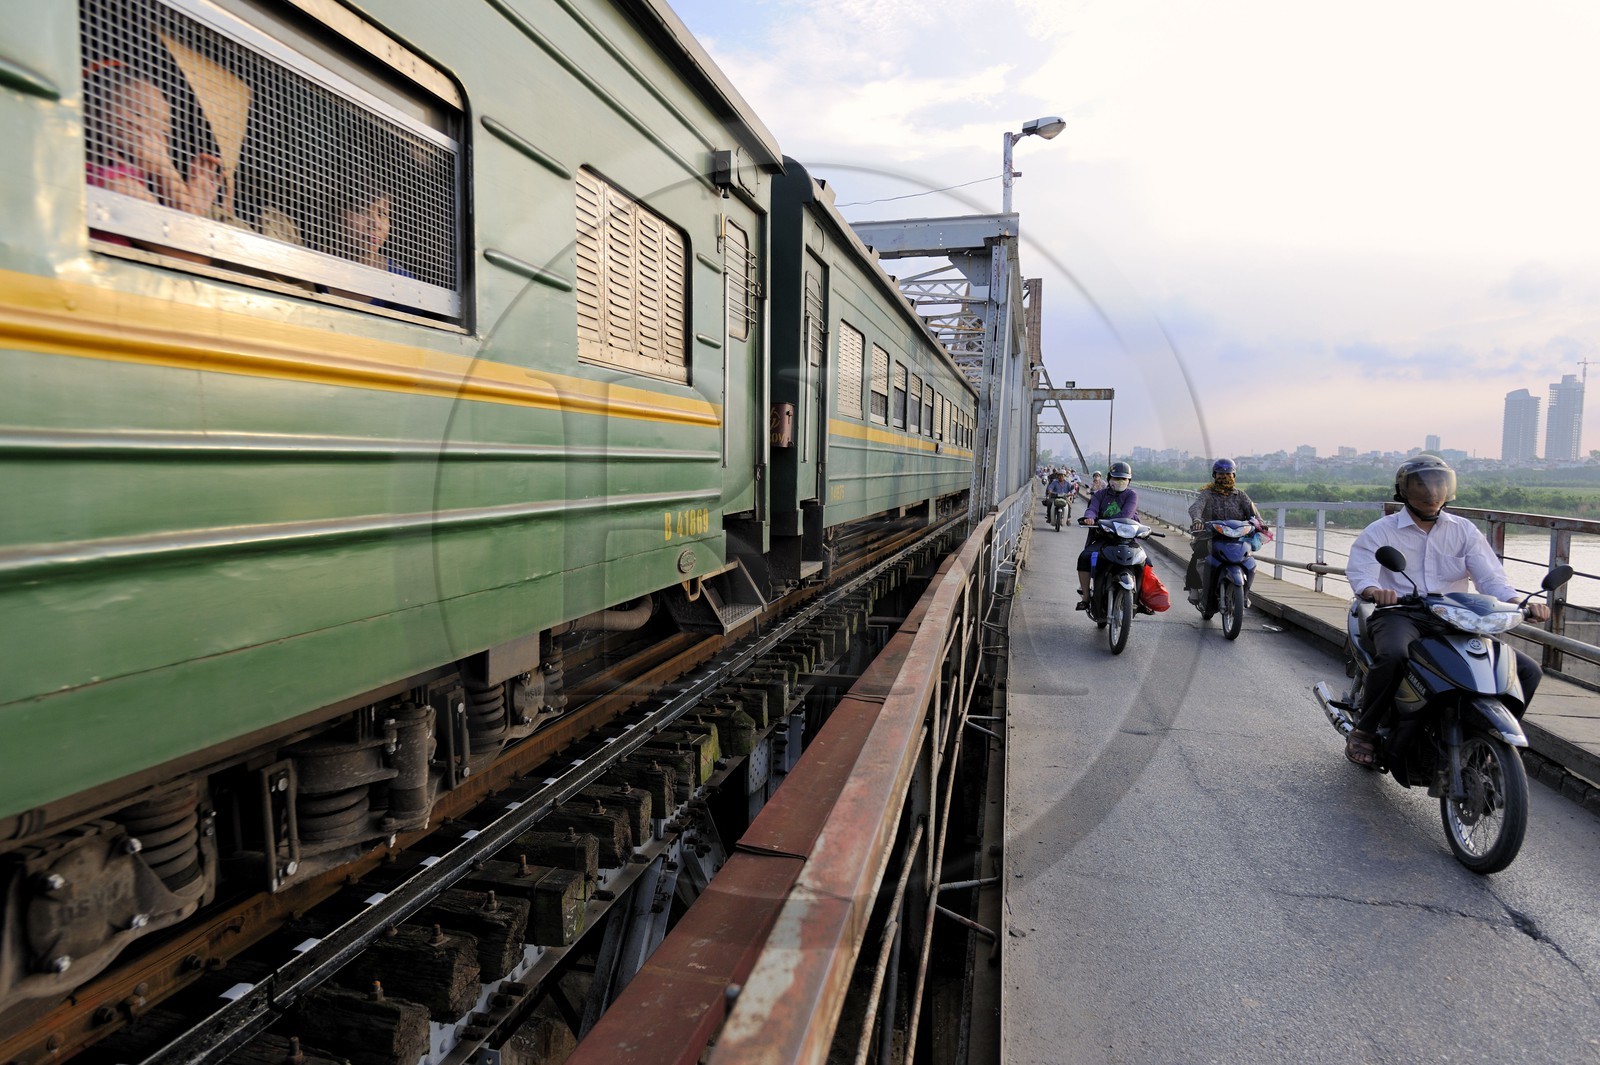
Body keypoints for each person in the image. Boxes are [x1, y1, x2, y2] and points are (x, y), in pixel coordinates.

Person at [1341, 454, 1549, 766]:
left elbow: (1490, 577)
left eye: (1439, 484)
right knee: (1395, 655)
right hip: (1400, 613)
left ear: (1449, 489)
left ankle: (1486, 740)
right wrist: (1374, 590)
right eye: (1422, 485)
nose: (1431, 492)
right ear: (1404, 490)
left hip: (1455, 617)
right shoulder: (1381, 531)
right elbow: (1362, 572)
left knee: (1527, 670)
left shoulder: (1464, 531)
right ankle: (1365, 731)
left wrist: (1518, 603)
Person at [84, 66, 225, 218]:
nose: (154, 135)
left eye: (164, 131)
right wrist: (164, 169)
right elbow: (178, 232)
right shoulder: (115, 182)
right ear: (92, 113)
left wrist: (195, 205)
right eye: (139, 114)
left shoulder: (136, 183)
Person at [1185, 458, 1263, 604]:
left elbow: (1254, 513)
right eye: (1220, 475)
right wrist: (1197, 520)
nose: (1224, 478)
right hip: (1211, 535)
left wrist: (1261, 524)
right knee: (1198, 554)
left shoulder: (1241, 496)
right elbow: (1196, 507)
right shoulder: (1207, 494)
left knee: (1249, 561)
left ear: (1234, 476)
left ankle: (1244, 594)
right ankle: (1194, 587)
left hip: (1236, 538)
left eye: (1228, 475)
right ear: (1215, 476)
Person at [1075, 461, 1138, 609]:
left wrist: (1104, 521)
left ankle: (1139, 598)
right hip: (1103, 537)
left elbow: (1126, 514)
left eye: (1124, 479)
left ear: (1129, 481)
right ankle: (1085, 596)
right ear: (1109, 479)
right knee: (1084, 557)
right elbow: (1092, 509)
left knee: (1144, 562)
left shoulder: (1132, 495)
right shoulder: (1100, 494)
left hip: (1126, 539)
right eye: (1116, 478)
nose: (1120, 482)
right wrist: (1089, 518)